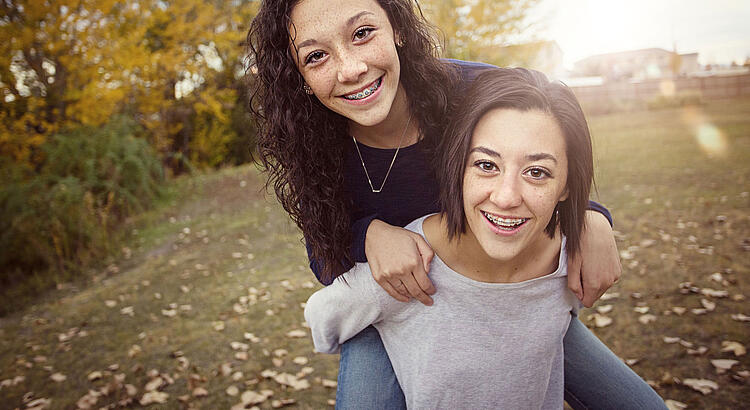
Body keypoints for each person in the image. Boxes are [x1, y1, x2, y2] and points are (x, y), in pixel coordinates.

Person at [247, 0, 660, 408]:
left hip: (499, 290)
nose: (350, 68)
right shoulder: (308, 140)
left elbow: (549, 137)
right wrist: (369, 235)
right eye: (316, 56)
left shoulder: (470, 91)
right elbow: (322, 250)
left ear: (398, 30)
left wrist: (592, 216)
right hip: (394, 303)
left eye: (362, 34)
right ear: (298, 76)